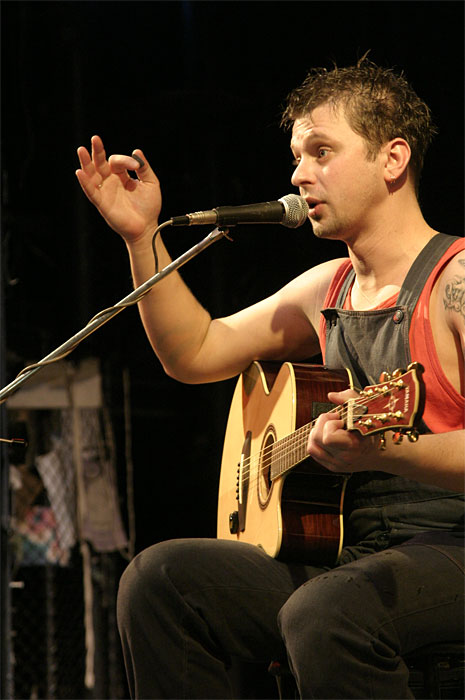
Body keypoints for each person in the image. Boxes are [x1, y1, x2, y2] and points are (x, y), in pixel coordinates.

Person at [75, 59, 464, 699]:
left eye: (321, 152)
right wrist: (143, 238)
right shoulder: (327, 288)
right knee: (159, 581)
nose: (298, 175)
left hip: (452, 545)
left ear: (393, 159)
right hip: (351, 557)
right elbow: (196, 351)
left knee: (327, 611)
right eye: (296, 157)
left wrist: (392, 451)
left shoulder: (457, 283)